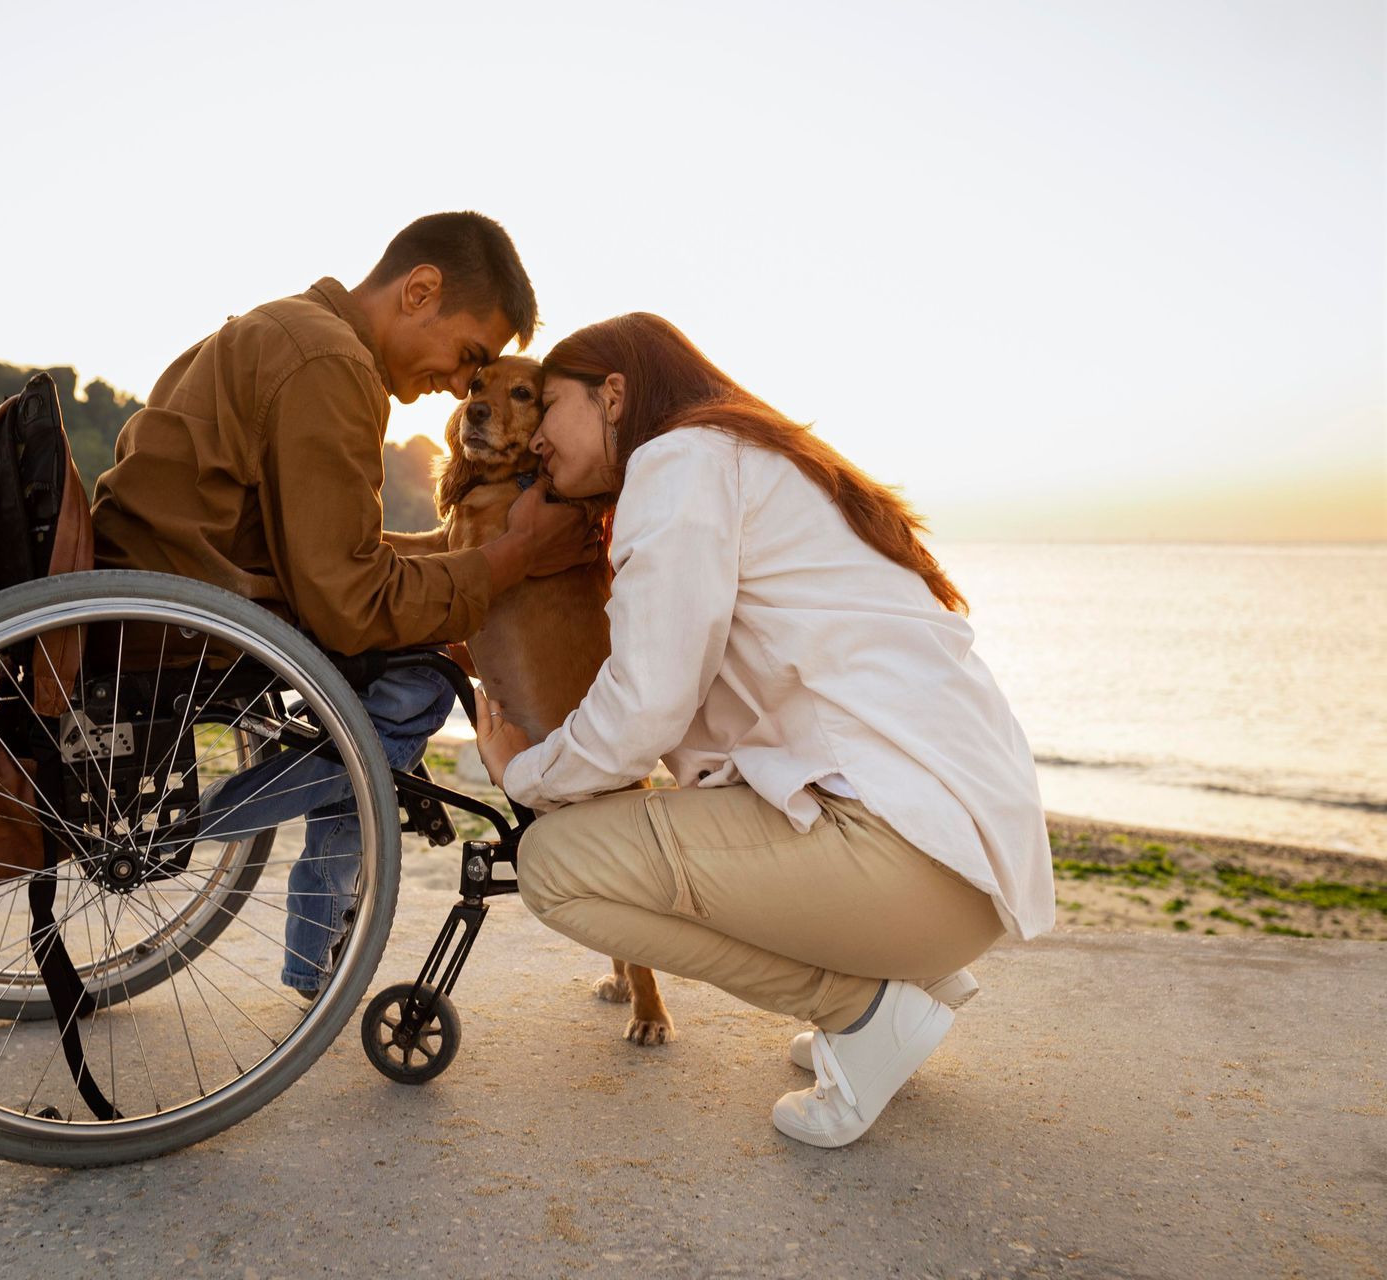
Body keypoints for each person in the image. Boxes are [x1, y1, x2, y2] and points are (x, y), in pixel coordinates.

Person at [473, 313, 1054, 1148]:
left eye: (550, 406)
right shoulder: (751, 458)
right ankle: (895, 979)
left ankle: (865, 1010)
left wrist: (522, 772)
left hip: (906, 865)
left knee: (553, 868)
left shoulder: (675, 465)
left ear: (613, 395)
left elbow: (647, 708)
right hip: (958, 867)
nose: (536, 441)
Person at [90, 212, 599, 996]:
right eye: (468, 359)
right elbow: (348, 603)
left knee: (393, 670)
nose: (460, 389)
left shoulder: (286, 330)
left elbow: (336, 557)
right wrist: (513, 558)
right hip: (190, 625)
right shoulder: (328, 364)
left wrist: (489, 559)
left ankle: (313, 946)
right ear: (420, 290)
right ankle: (216, 840)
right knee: (419, 684)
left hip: (176, 591)